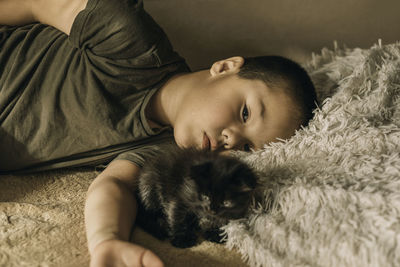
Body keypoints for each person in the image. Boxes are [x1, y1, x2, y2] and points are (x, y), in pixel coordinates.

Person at [0, 0, 317, 266]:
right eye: (245, 113)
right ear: (225, 67)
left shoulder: (165, 152)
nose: (231, 141)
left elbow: (114, 186)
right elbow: (36, 2)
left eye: (246, 147)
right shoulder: (129, 41)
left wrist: (106, 241)